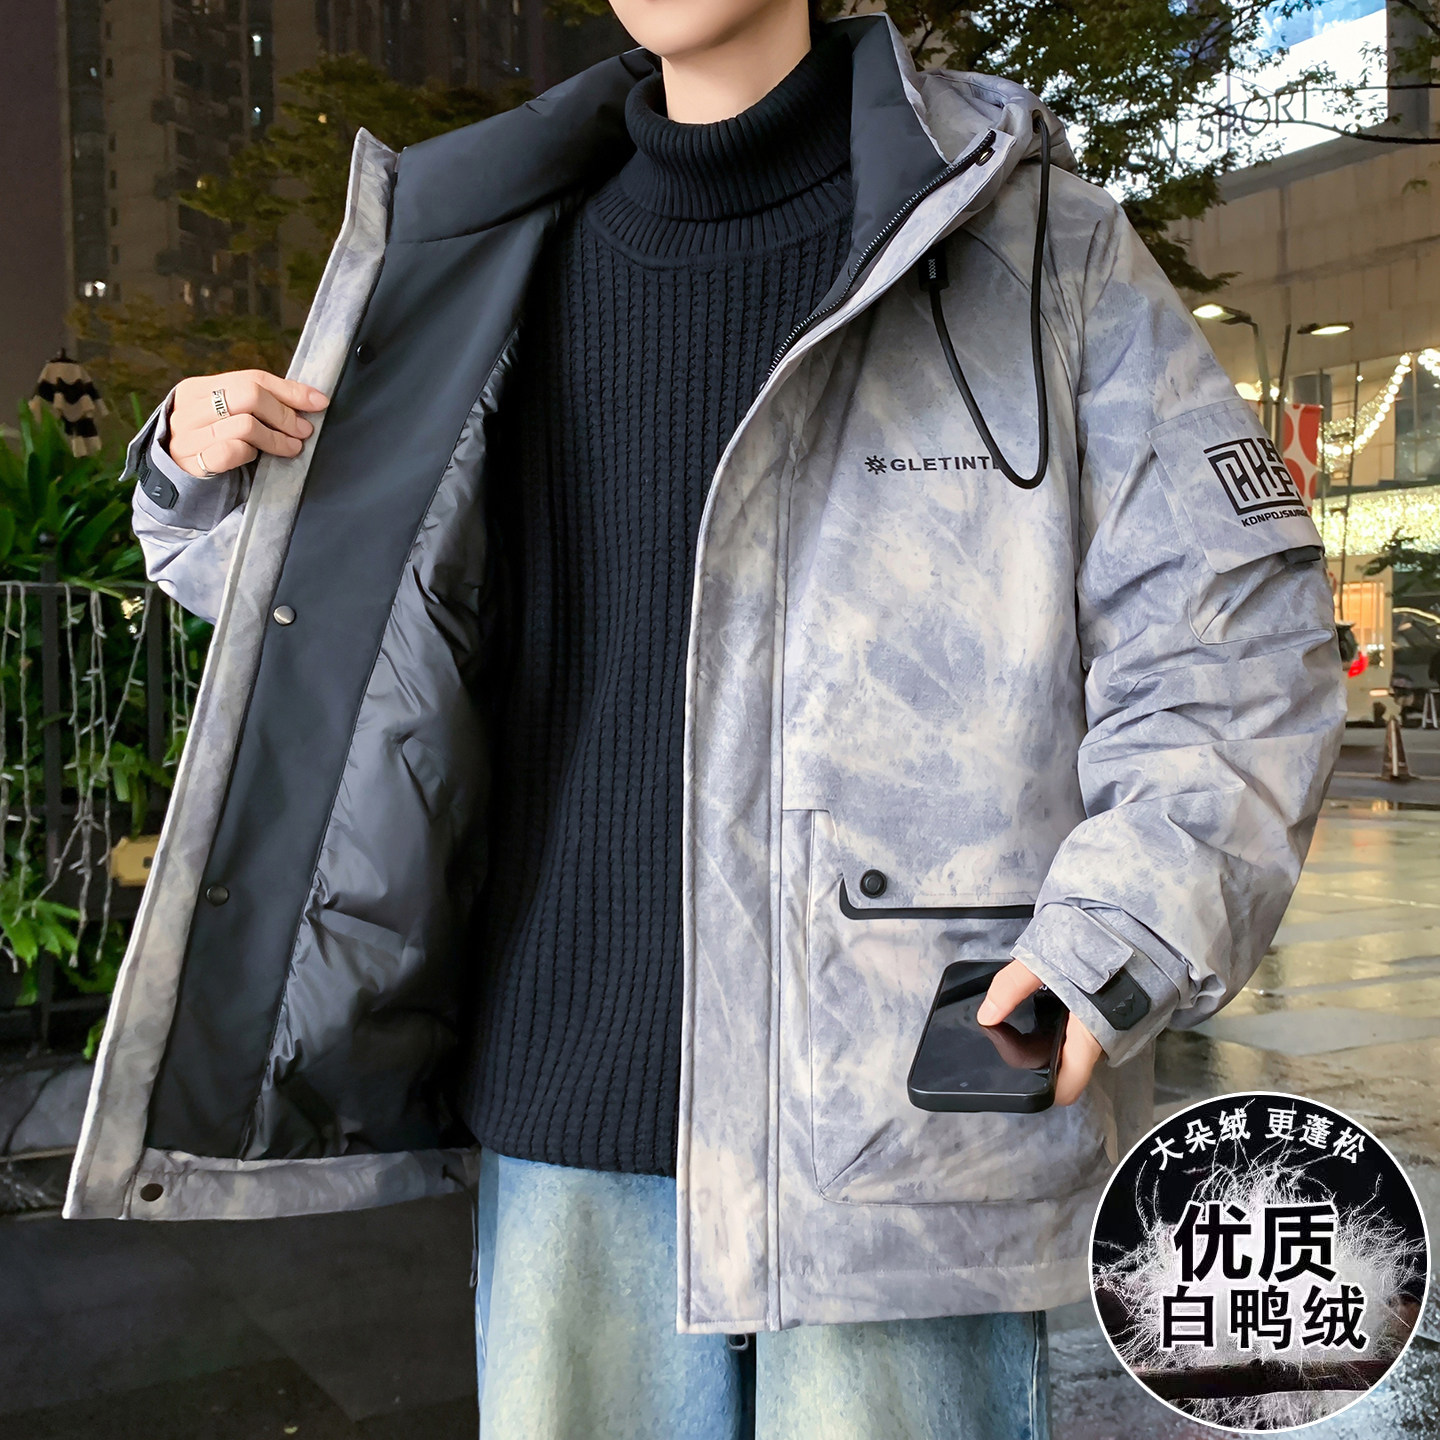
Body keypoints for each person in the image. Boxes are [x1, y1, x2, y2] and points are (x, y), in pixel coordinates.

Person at [66, 1, 1345, 1436]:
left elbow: (1234, 632)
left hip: (893, 1111)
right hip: (566, 1094)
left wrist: (1117, 931)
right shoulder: (493, 251)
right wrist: (197, 481)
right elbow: (376, 615)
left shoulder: (1028, 240)